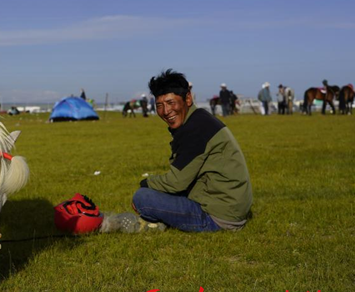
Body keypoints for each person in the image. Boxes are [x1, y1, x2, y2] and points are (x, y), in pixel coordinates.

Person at [102, 69, 252, 233]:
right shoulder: (200, 120)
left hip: (218, 216)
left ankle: (157, 223)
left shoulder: (196, 129)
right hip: (229, 207)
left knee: (142, 197)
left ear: (188, 98)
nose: (166, 111)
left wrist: (146, 184)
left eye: (171, 103)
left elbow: (176, 182)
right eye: (160, 105)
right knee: (157, 193)